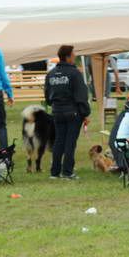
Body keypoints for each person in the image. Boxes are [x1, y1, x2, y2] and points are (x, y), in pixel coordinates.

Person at [45, 45, 90, 180]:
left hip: (57, 112)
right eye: (74, 54)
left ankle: (55, 172)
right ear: (68, 56)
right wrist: (85, 112)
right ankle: (68, 172)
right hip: (72, 113)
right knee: (70, 142)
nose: (75, 56)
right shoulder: (75, 73)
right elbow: (81, 95)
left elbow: (47, 96)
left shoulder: (51, 74)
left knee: (59, 141)